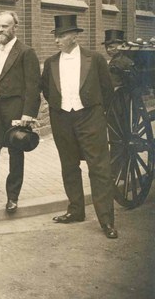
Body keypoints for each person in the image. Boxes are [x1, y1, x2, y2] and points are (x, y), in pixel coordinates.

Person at [41, 15, 117, 239]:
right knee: (69, 165)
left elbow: (107, 90)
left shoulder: (95, 59)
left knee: (99, 168)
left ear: (74, 36)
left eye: (62, 36)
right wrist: (61, 106)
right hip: (62, 118)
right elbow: (47, 90)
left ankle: (107, 221)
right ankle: (75, 210)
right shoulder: (51, 62)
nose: (57, 40)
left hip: (90, 117)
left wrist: (95, 112)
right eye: (56, 36)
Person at [0, 11, 41, 213]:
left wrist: (27, 114)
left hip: (15, 109)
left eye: (4, 26)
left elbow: (33, 86)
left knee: (16, 152)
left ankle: (12, 197)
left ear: (15, 27)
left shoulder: (26, 52)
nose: (0, 30)